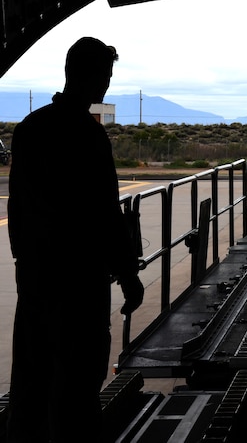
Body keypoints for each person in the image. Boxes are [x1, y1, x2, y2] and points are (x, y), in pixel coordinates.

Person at [7, 37, 145, 442]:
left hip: (35, 280)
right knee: (78, 387)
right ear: (88, 77)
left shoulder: (30, 128)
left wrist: (25, 266)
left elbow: (18, 209)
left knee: (31, 382)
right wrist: (128, 274)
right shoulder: (88, 135)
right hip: (80, 284)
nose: (105, 86)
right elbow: (103, 214)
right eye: (105, 76)